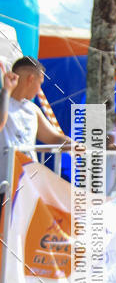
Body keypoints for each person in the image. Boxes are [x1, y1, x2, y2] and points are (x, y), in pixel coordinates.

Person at [0, 57, 71, 186]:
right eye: (40, 83)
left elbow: (54, 138)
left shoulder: (33, 109)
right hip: (4, 183)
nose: (39, 90)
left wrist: (74, 144)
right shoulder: (3, 100)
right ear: (31, 79)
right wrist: (6, 91)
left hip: (27, 184)